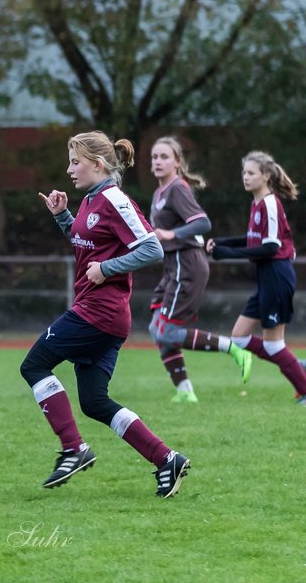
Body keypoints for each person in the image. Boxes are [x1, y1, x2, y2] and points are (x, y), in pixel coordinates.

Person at [23, 132, 191, 498]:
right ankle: (167, 460)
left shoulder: (114, 199)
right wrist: (62, 216)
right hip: (102, 315)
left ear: (97, 165)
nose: (69, 170)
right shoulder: (91, 200)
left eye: (75, 162)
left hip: (98, 312)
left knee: (33, 366)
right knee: (94, 402)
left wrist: (110, 267)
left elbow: (152, 249)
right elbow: (87, 245)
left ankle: (74, 449)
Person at [145, 136, 252, 402]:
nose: (158, 161)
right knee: (155, 327)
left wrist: (171, 234)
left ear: (177, 162)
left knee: (167, 331)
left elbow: (202, 223)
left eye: (164, 157)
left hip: (187, 264)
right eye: (154, 157)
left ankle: (234, 349)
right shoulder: (159, 193)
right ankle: (185, 392)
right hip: (173, 267)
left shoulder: (177, 189)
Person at [206, 150, 306, 404]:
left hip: (277, 275)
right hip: (266, 277)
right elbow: (254, 240)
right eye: (244, 172)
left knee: (274, 345)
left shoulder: (271, 203)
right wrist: (223, 242)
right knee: (239, 336)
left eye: (251, 173)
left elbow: (270, 247)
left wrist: (226, 252)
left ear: (266, 175)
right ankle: (294, 364)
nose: (245, 177)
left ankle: (302, 385)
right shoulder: (257, 203)